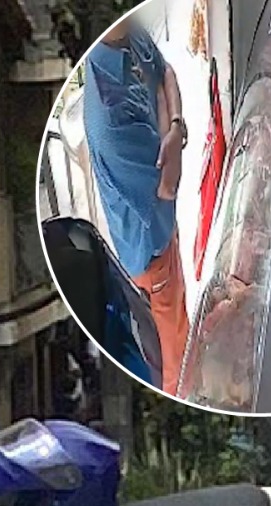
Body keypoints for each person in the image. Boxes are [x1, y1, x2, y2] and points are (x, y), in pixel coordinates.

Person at [83, 16, 188, 394]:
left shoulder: (129, 32)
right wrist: (169, 122)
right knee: (174, 357)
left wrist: (173, 125)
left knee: (179, 321)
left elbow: (167, 73)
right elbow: (168, 183)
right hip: (150, 255)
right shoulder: (108, 118)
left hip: (162, 228)